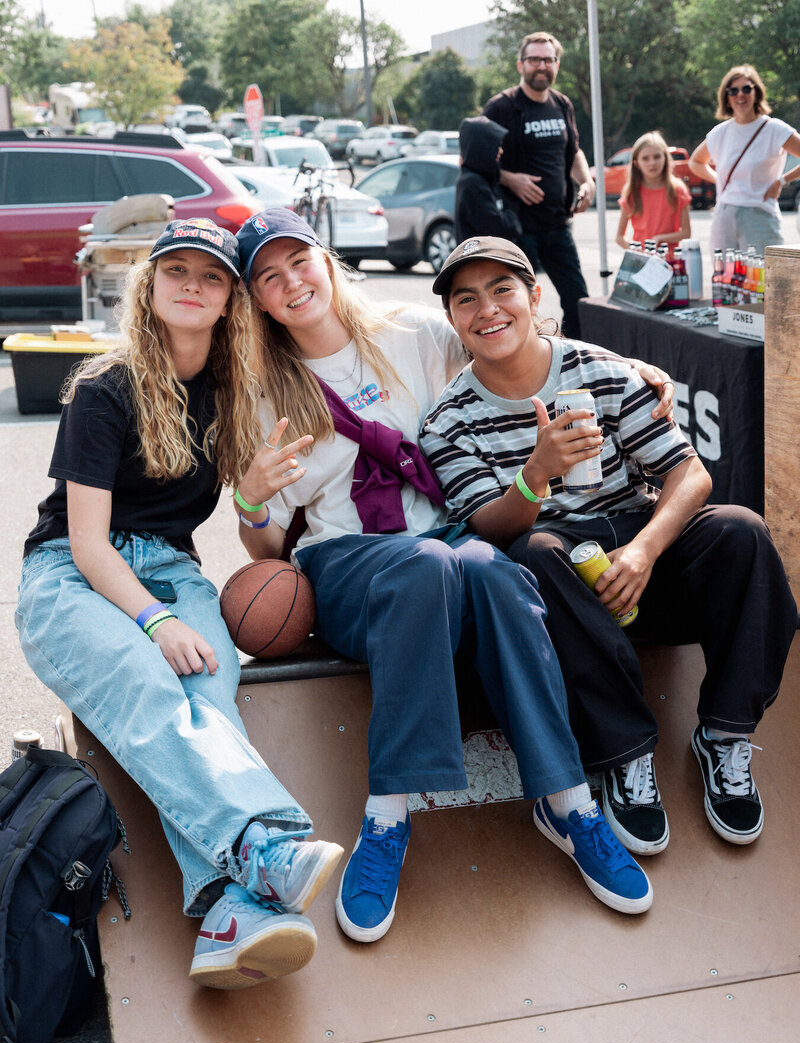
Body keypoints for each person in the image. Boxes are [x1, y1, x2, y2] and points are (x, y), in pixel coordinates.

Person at [232, 207, 658, 943]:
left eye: (298, 261)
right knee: (433, 562)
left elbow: (517, 352)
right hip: (350, 565)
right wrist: (249, 495)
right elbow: (264, 550)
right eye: (269, 277)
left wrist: (631, 369)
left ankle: (567, 802)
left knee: (492, 569)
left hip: (448, 542)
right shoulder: (263, 388)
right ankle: (387, 817)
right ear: (259, 300)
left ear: (326, 261)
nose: (290, 282)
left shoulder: (417, 337)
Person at [15, 218, 343, 991]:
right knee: (148, 681)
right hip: (72, 574)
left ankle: (229, 912)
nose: (192, 285)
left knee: (211, 695)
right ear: (151, 286)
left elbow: (247, 514)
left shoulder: (231, 391)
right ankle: (266, 846)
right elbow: (90, 543)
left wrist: (256, 495)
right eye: (177, 272)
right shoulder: (106, 386)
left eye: (211, 275)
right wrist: (155, 622)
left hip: (173, 568)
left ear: (231, 297)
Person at [422, 235, 797, 858]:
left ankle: (726, 734)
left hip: (637, 544)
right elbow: (493, 528)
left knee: (741, 530)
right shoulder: (448, 420)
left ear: (535, 296)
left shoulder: (601, 370)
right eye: (467, 299)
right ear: (453, 318)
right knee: (536, 556)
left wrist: (646, 550)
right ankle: (625, 755)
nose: (487, 309)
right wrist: (535, 472)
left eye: (502, 290)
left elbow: (691, 474)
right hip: (559, 567)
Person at [482, 31, 594, 339]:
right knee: (518, 305)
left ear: (557, 65)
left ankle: (570, 361)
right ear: (520, 65)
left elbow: (574, 152)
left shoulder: (562, 105)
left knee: (578, 300)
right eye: (534, 59)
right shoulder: (500, 108)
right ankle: (521, 370)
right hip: (518, 229)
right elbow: (474, 160)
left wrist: (586, 182)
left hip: (558, 225)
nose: (541, 66)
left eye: (548, 59)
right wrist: (511, 178)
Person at [689, 64, 800, 256]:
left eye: (747, 88)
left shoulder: (774, 129)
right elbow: (695, 162)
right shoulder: (720, 132)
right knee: (725, 278)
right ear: (727, 97)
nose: (740, 95)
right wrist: (719, 179)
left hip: (760, 214)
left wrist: (782, 180)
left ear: (757, 92)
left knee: (766, 280)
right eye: (733, 90)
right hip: (724, 214)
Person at [616, 131, 691, 257]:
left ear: (665, 158)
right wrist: (635, 250)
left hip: (669, 261)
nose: (652, 163)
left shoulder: (677, 189)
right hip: (641, 262)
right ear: (636, 163)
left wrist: (659, 238)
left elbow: (686, 233)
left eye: (657, 157)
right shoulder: (632, 192)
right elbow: (619, 237)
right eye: (645, 158)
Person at [455, 115, 522, 244]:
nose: (501, 151)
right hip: (480, 263)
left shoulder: (486, 178)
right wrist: (512, 217)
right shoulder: (471, 183)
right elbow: (497, 229)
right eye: (496, 146)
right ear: (482, 147)